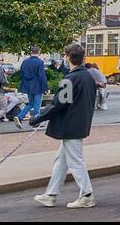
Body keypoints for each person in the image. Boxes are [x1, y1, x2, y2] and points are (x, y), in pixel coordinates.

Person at [31, 43, 99, 209]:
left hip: (70, 125)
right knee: (61, 161)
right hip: (80, 123)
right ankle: (51, 194)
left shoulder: (70, 78)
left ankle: (87, 194)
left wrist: (39, 117)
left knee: (75, 161)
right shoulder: (88, 77)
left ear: (68, 57)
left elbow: (59, 103)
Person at [15, 47, 48, 129]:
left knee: (31, 103)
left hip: (28, 85)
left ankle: (19, 116)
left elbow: (21, 74)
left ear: (31, 52)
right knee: (37, 103)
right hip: (37, 85)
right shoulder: (39, 62)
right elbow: (42, 76)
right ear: (38, 52)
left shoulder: (25, 61)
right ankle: (36, 122)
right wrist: (46, 87)